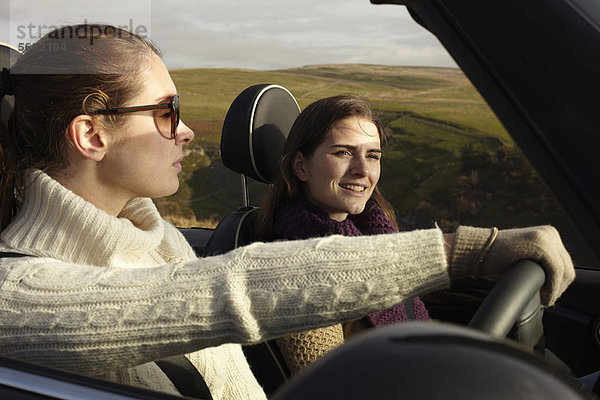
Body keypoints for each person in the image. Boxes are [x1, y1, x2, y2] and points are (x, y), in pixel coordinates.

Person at [0, 24, 574, 400]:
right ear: (91, 134)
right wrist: (465, 249)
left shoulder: (159, 240)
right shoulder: (14, 293)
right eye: (167, 111)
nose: (187, 130)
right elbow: (230, 289)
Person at [257, 95, 431, 374]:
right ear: (301, 166)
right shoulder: (297, 274)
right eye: (343, 153)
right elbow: (329, 386)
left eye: (372, 155)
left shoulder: (376, 236)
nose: (363, 170)